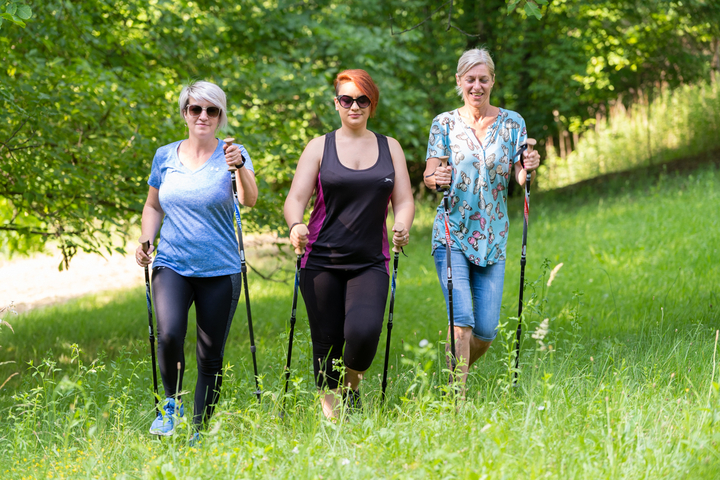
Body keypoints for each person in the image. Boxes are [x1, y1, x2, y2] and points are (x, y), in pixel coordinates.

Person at [284, 69, 415, 418]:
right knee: (326, 344)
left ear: (372, 104)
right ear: (336, 104)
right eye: (346, 100)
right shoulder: (319, 147)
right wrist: (296, 224)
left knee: (363, 332)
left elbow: (403, 200)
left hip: (370, 260)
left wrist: (401, 224)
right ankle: (332, 420)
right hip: (321, 259)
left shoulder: (390, 147)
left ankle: (351, 388)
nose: (354, 106)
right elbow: (295, 198)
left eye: (362, 100)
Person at [135, 80, 258, 437]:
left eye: (211, 110)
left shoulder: (234, 152)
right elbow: (153, 205)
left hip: (220, 268)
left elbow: (249, 200)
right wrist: (146, 238)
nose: (202, 116)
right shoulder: (165, 155)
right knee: (169, 333)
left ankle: (199, 430)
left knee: (210, 354)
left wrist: (240, 167)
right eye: (195, 109)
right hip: (172, 262)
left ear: (220, 116)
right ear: (185, 113)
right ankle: (170, 406)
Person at [423, 48, 540, 387]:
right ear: (459, 81)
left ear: (492, 81)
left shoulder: (513, 123)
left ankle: (450, 376)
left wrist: (528, 168)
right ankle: (454, 403)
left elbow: (521, 174)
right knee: (461, 322)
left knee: (486, 331)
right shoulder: (443, 124)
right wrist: (435, 180)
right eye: (470, 79)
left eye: (483, 79)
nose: (477, 86)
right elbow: (430, 174)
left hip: (493, 236)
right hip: (451, 232)